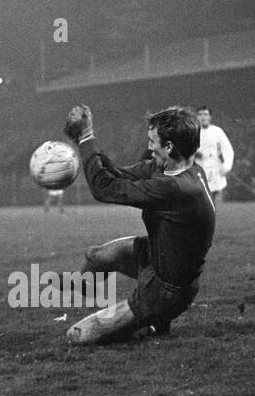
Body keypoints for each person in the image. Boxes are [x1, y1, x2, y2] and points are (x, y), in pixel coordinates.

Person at [63, 104, 214, 344]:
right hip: (160, 260)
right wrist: (88, 147)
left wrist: (85, 137)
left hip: (166, 291)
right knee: (98, 256)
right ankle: (88, 292)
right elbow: (116, 174)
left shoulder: (175, 188)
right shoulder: (181, 170)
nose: (149, 147)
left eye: (152, 141)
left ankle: (151, 320)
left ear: (169, 147)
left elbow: (104, 189)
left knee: (78, 336)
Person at [194, 106, 234, 209]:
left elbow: (227, 149)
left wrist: (226, 166)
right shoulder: (192, 132)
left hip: (215, 170)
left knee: (214, 203)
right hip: (198, 169)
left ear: (210, 117)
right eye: (200, 114)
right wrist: (194, 153)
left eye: (205, 114)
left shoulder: (217, 131)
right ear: (197, 117)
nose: (203, 117)